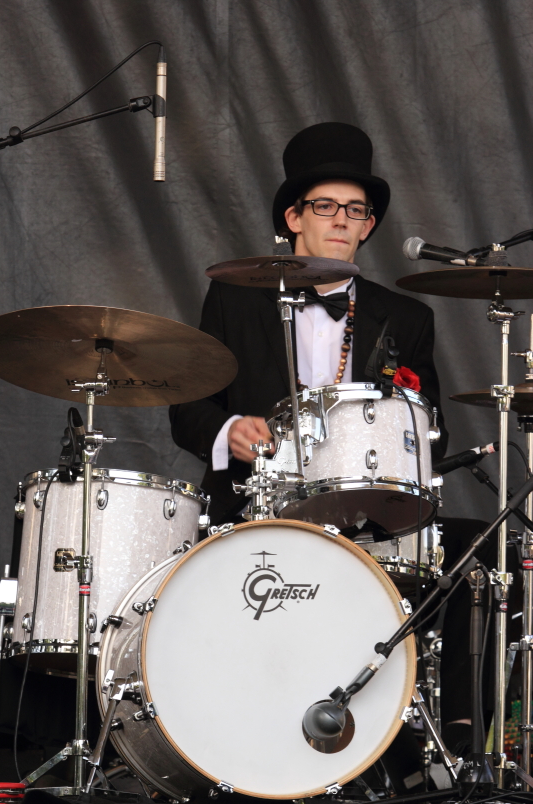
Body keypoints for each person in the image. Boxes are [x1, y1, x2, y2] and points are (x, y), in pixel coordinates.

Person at [169, 122, 448, 526]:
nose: (341, 220)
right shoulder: (235, 298)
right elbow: (187, 408)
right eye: (325, 206)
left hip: (364, 522)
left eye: (355, 209)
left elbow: (433, 436)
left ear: (367, 226)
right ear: (294, 218)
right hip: (248, 514)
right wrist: (229, 430)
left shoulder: (408, 317)